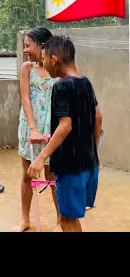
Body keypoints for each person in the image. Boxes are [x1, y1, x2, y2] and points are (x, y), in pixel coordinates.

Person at [27, 35, 103, 232]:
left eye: (44, 59)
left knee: (67, 220)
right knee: (70, 218)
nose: (42, 63)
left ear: (54, 59)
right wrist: (92, 152)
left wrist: (41, 157)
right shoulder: (85, 83)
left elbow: (65, 126)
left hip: (70, 167)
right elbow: (98, 118)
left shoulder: (61, 86)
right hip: (88, 165)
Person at [12, 27, 60, 232]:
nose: (25, 50)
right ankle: (25, 220)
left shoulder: (57, 67)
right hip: (30, 126)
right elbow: (25, 98)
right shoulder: (27, 68)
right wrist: (32, 128)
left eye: (28, 45)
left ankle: (61, 221)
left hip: (52, 128)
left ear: (42, 45)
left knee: (53, 176)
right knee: (27, 175)